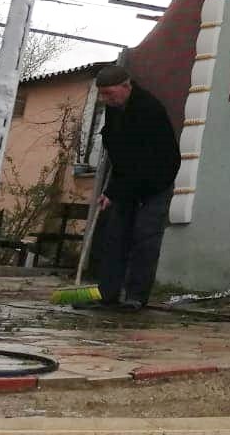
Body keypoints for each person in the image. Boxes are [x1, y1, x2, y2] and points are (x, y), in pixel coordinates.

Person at [93, 64, 180, 311]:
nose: (105, 99)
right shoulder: (114, 109)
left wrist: (116, 191)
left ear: (126, 86)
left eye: (109, 93)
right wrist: (110, 191)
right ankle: (107, 294)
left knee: (145, 238)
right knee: (115, 236)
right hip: (128, 180)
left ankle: (136, 297)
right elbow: (120, 156)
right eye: (102, 94)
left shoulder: (148, 110)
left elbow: (141, 160)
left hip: (156, 182)